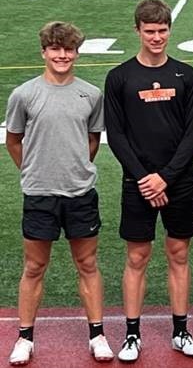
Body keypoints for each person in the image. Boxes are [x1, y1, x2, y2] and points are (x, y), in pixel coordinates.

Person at [5, 21, 114, 365]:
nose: (62, 55)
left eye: (68, 49)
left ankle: (97, 334)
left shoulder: (91, 94)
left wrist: (75, 166)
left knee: (87, 263)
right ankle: (25, 337)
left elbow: (93, 140)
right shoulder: (24, 94)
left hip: (80, 193)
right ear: (44, 52)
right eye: (55, 49)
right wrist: (34, 170)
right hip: (39, 193)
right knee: (34, 266)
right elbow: (13, 140)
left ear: (76, 52)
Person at [104, 0, 193, 362]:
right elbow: (116, 135)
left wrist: (165, 177)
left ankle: (181, 331)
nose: (157, 37)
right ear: (138, 31)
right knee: (137, 256)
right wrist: (145, 177)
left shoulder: (186, 75)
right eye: (150, 31)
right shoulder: (119, 77)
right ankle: (132, 335)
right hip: (137, 182)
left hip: (176, 181)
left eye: (162, 30)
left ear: (169, 30)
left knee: (178, 254)